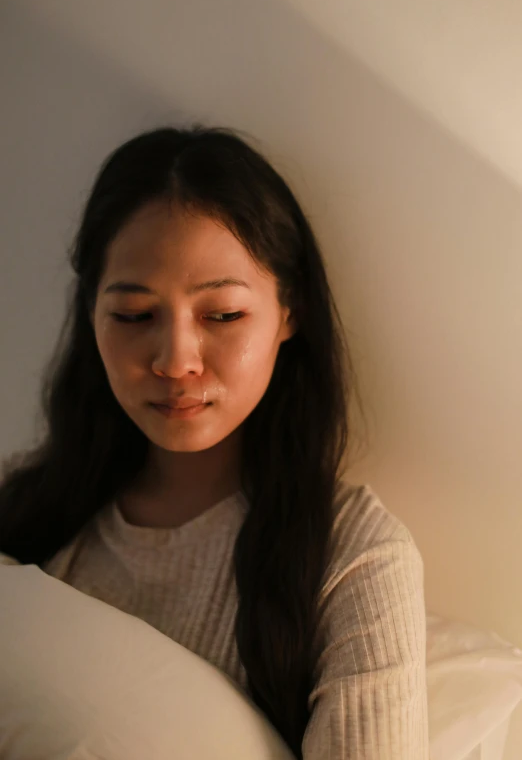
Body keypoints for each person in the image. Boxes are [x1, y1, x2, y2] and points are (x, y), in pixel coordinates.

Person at [0, 126, 429, 758]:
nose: (175, 361)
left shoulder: (356, 559)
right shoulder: (23, 509)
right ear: (91, 313)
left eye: (222, 315)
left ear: (290, 312)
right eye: (134, 316)